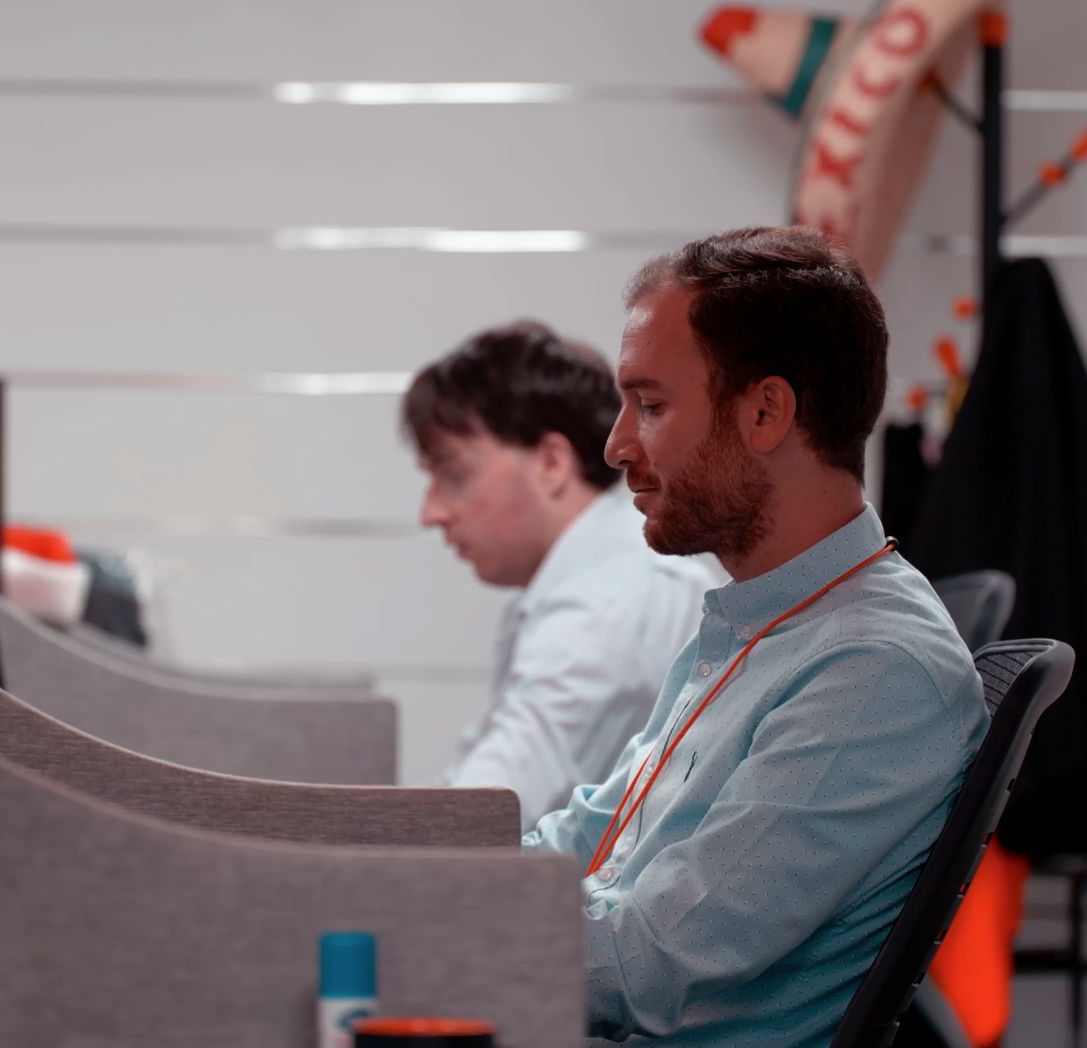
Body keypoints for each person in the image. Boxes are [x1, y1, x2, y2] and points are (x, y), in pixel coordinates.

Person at [523, 226, 989, 1046]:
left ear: (766, 412)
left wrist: (413, 920)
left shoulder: (873, 667)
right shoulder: (761, 623)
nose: (617, 446)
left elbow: (644, 961)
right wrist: (402, 877)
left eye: (651, 405)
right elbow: (589, 840)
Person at [404, 321, 718, 831]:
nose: (431, 512)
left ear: (551, 463)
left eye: (454, 475)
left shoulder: (604, 606)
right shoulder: (589, 580)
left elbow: (476, 821)